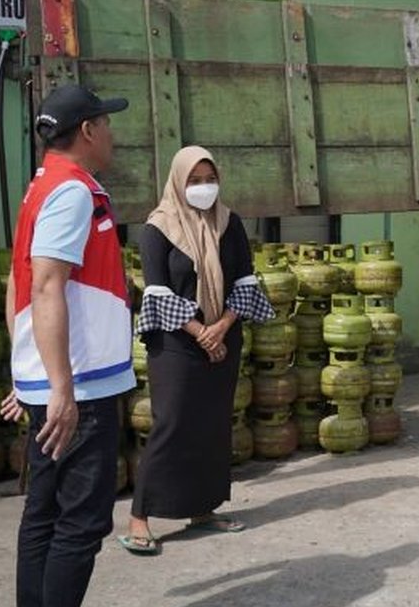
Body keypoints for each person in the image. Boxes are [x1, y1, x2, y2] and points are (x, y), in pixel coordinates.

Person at [1, 83, 138, 606]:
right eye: (106, 122)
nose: (111, 132)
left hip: (55, 377)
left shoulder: (41, 187)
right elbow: (45, 284)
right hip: (79, 383)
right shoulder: (72, 190)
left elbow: (20, 283)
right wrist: (60, 387)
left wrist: (26, 370)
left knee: (45, 510)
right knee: (79, 521)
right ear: (87, 131)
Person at [119, 146, 274, 556]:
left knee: (212, 423)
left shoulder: (230, 223)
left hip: (223, 337)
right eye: (195, 180)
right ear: (177, 181)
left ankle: (202, 509)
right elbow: (155, 290)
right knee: (171, 423)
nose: (204, 187)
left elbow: (244, 282)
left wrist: (220, 328)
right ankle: (140, 516)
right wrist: (200, 331)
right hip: (175, 343)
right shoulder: (158, 228)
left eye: (210, 179)